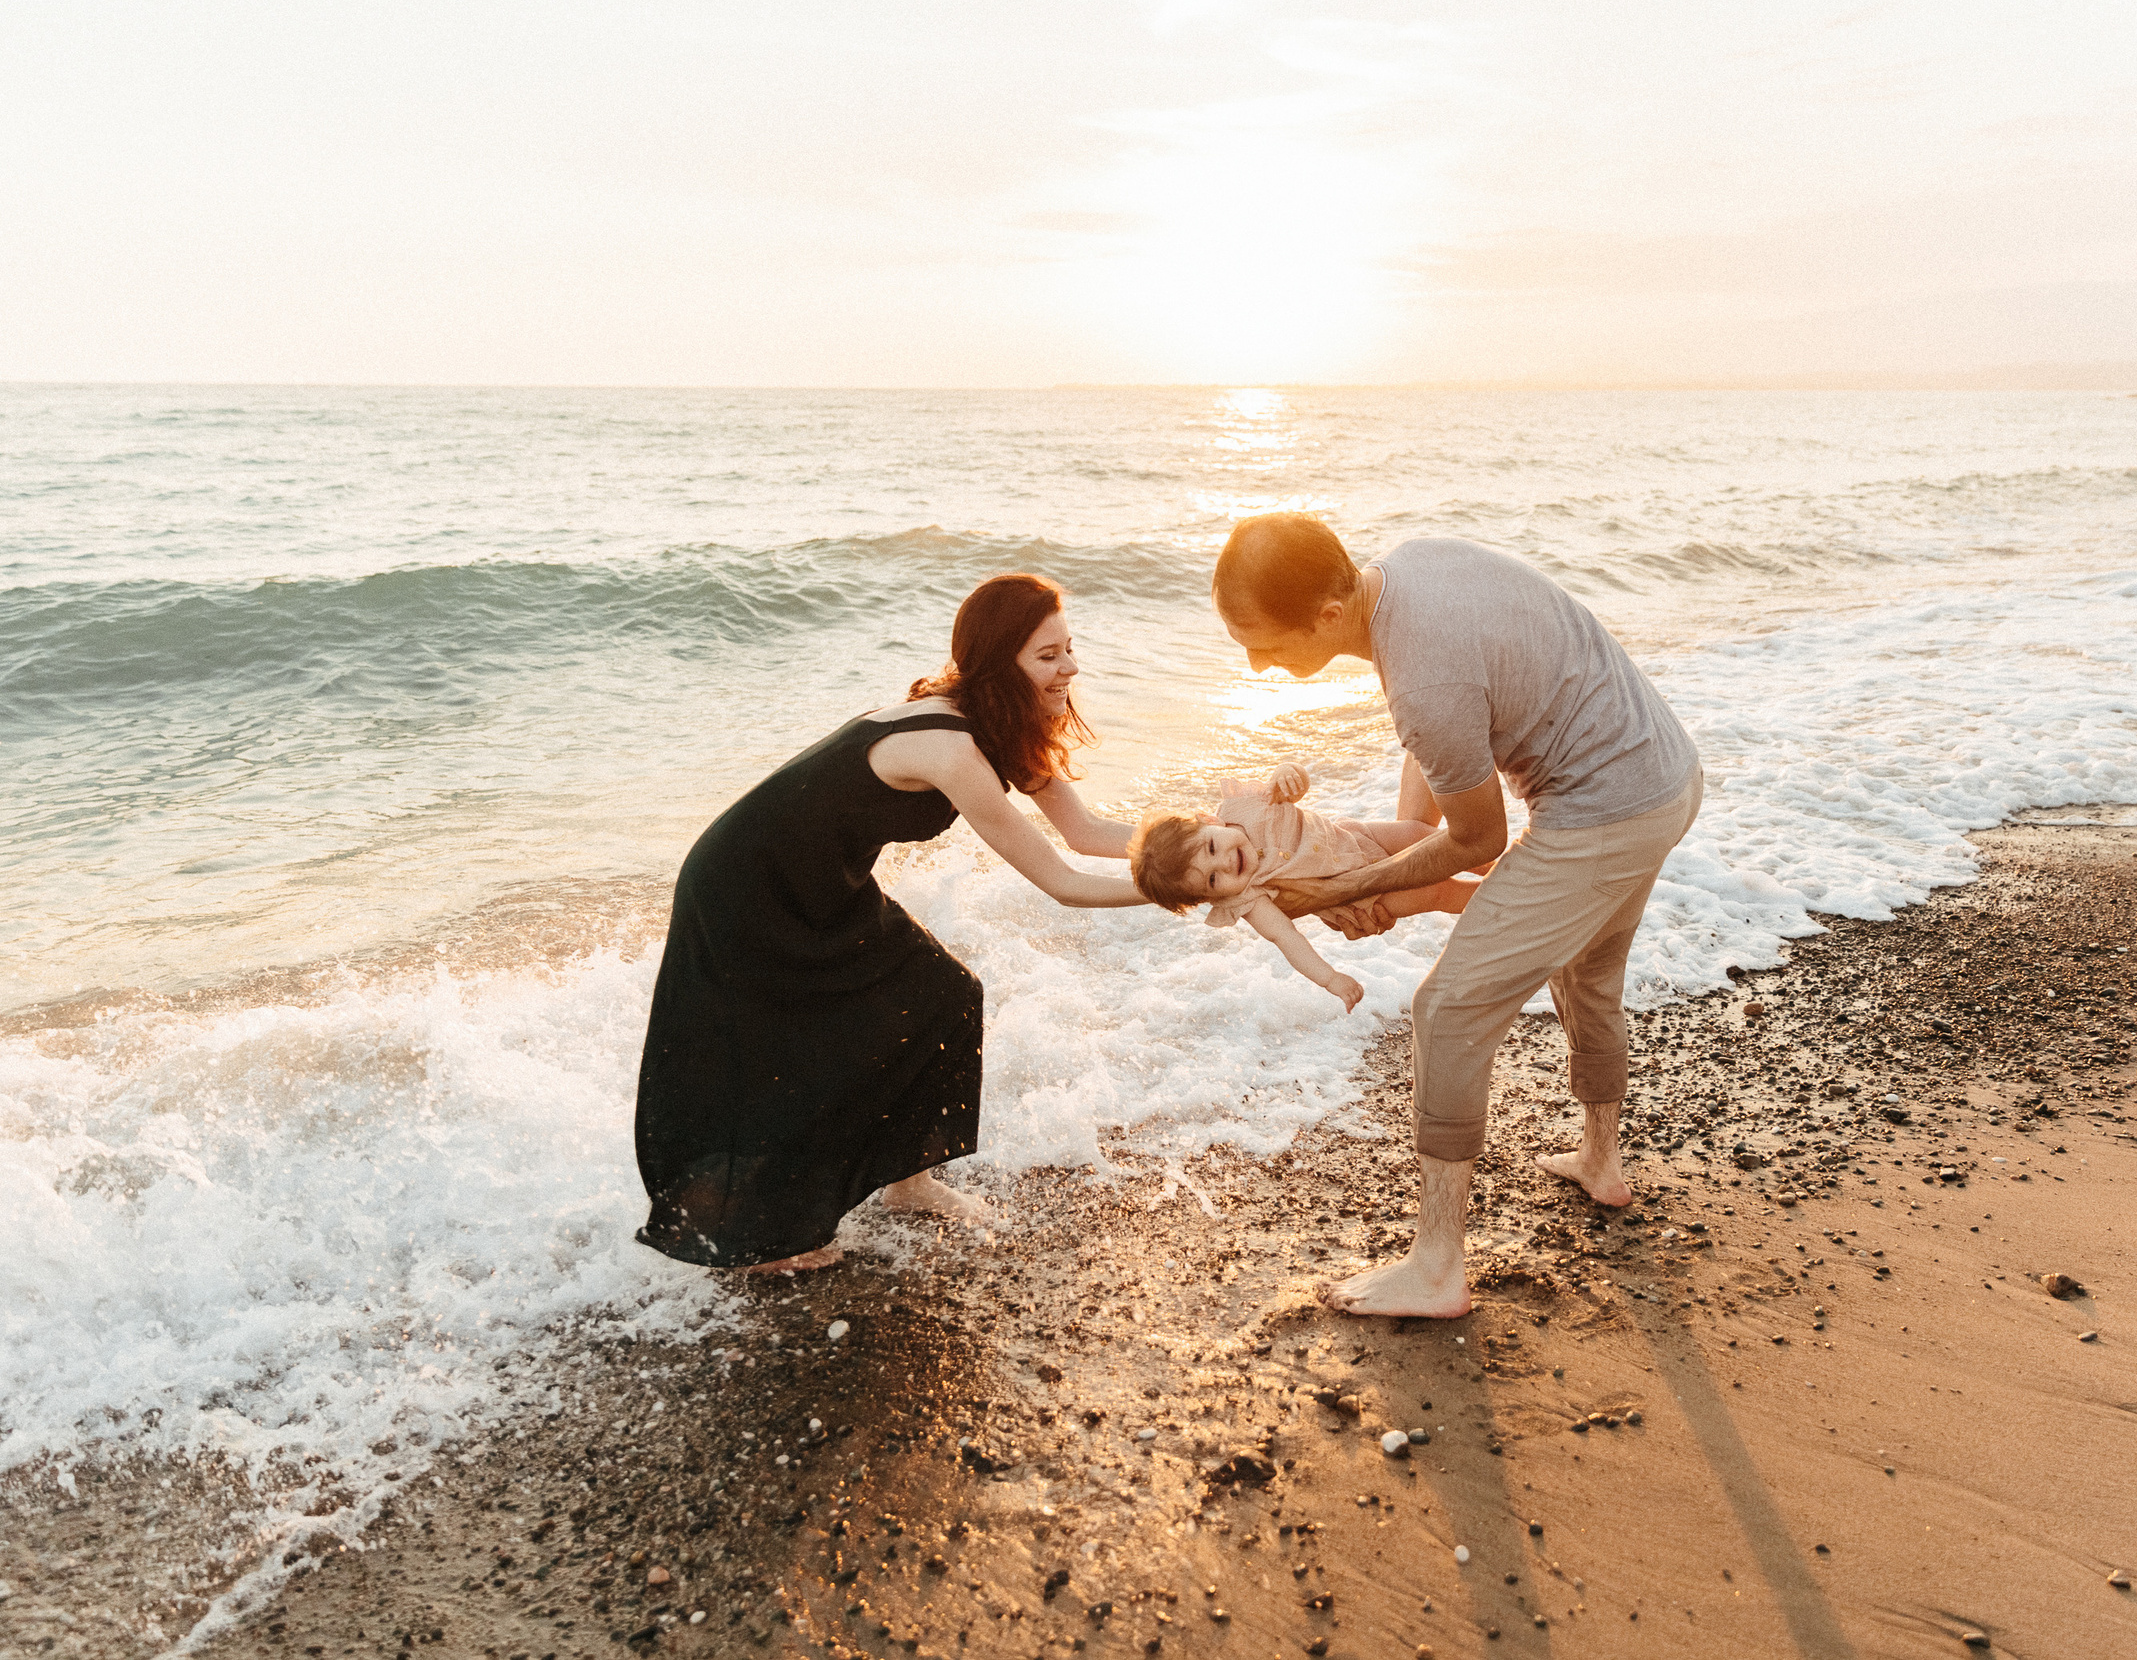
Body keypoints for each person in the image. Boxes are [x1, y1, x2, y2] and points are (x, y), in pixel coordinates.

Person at [1213, 514, 1702, 1318]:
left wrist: (1341, 890)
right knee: (1590, 971)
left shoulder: (1420, 681)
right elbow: (1442, 763)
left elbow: (1478, 837)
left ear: (1328, 616)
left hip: (1606, 807)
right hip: (1665, 773)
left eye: (1263, 642)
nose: (1257, 663)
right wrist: (1391, 868)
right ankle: (1600, 1163)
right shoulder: (1408, 571)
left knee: (1444, 1011)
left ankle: (1437, 1266)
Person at [633, 574, 1147, 1273]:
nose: (1070, 668)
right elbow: (1062, 882)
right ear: (1001, 663)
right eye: (1048, 656)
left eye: (1069, 648)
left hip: (825, 882)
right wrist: (1180, 892)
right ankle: (757, 1244)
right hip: (746, 882)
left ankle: (909, 1185)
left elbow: (1085, 834)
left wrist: (1205, 842)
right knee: (766, 1053)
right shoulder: (953, 747)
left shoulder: (1002, 725)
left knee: (946, 996)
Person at [1126, 761, 1481, 1012]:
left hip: (1355, 837)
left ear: (1209, 820)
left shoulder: (1245, 804)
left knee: (1422, 836)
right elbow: (1286, 938)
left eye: (1212, 847)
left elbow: (1292, 786)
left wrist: (1290, 774)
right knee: (1441, 893)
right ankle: (1503, 893)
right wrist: (1330, 979)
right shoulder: (1246, 896)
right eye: (1213, 879)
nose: (1226, 862)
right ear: (1209, 897)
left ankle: (1500, 859)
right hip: (1367, 897)